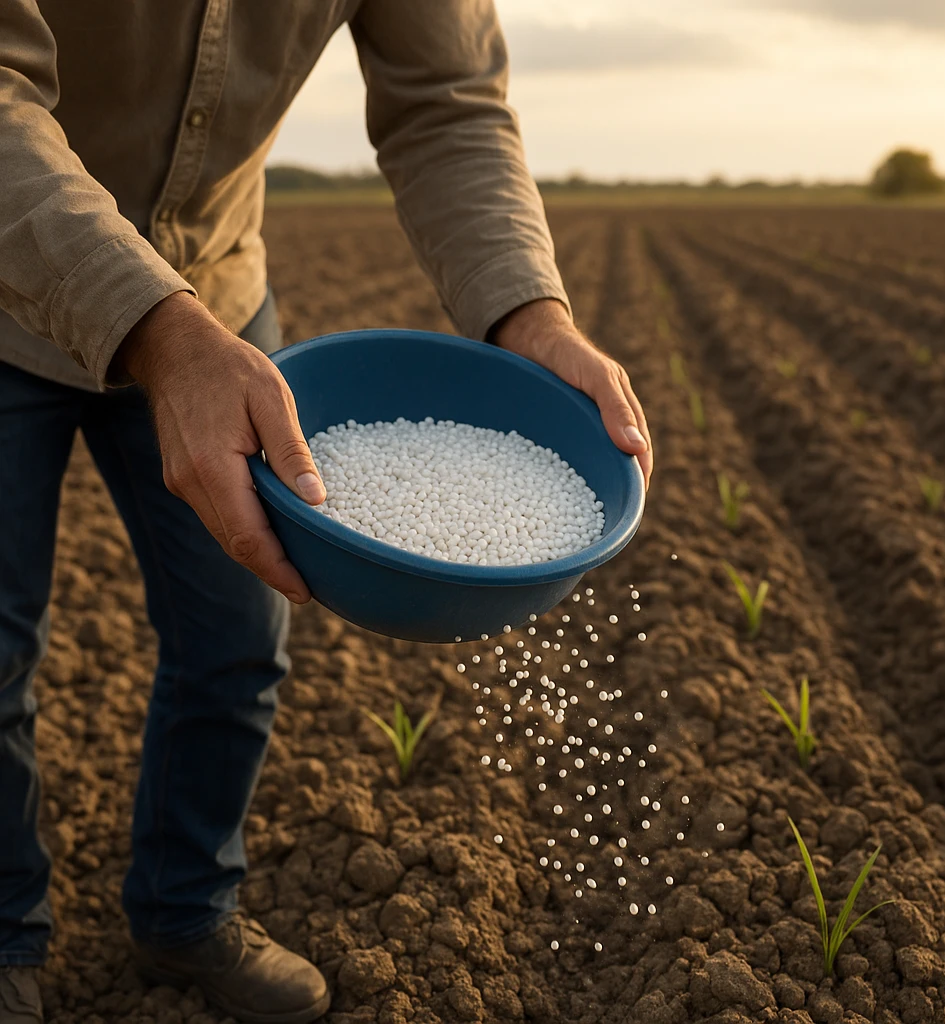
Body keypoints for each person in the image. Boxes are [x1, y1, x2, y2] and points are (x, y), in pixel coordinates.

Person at [0, 2, 654, 1022]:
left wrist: (528, 310)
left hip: (215, 302)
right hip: (11, 278)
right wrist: (155, 330)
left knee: (235, 640)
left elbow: (447, 104)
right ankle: (4, 935)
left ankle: (187, 913)